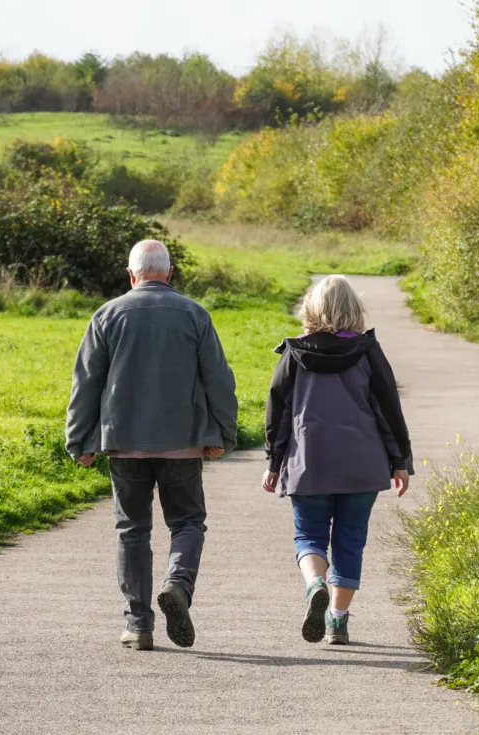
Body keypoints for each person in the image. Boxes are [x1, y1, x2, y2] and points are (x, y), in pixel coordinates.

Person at [65, 239, 237, 651]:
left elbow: (86, 382)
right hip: (182, 442)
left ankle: (138, 623)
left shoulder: (107, 315)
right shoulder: (195, 314)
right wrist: (222, 434)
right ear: (169, 273)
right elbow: (219, 379)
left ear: (131, 274)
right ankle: (177, 582)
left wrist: (79, 440)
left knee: (131, 529)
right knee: (188, 522)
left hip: (123, 442)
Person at [262, 274, 412, 645]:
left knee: (309, 535)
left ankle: (316, 584)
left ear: (311, 309)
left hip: (308, 462)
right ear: (353, 310)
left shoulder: (295, 355)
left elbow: (277, 414)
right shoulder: (368, 353)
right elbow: (388, 411)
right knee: (350, 539)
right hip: (362, 464)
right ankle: (338, 621)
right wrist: (400, 461)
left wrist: (274, 462)